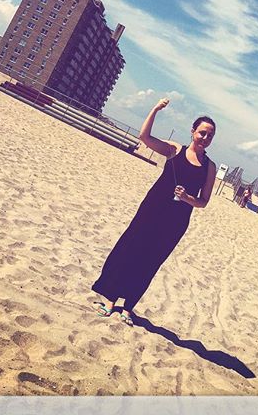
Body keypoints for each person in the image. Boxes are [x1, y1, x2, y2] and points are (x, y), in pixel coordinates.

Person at [90, 98, 217, 326]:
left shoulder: (210, 167)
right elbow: (144, 138)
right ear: (193, 131)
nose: (205, 138)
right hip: (152, 208)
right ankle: (110, 300)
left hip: (176, 220)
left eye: (210, 136)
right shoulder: (175, 149)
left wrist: (188, 198)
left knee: (150, 260)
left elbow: (204, 201)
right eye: (202, 133)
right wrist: (156, 109)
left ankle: (128, 306)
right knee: (129, 249)